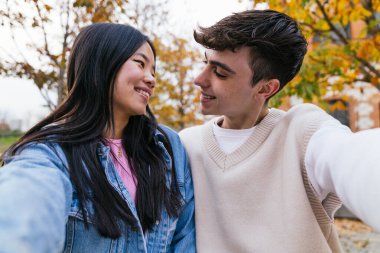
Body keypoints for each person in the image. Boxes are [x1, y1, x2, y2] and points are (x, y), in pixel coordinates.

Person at [179, 9, 380, 253]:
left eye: (220, 72)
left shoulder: (301, 132)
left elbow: (353, 157)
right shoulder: (186, 145)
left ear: (266, 89)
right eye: (205, 63)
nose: (199, 79)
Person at [0, 23, 195, 253]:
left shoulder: (168, 146)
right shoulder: (52, 152)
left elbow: (184, 238)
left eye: (153, 70)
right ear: (102, 63)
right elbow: (25, 213)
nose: (151, 79)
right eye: (141, 64)